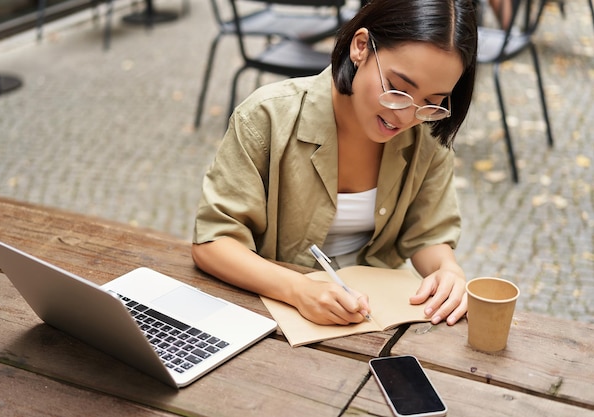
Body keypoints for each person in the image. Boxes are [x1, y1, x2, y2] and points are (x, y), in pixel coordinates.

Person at [192, 0, 478, 327]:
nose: (407, 115)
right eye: (398, 89)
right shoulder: (267, 118)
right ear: (360, 47)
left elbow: (429, 234)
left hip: (377, 317)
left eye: (433, 103)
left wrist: (447, 270)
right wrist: (299, 290)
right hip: (271, 313)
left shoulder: (427, 136)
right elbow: (213, 242)